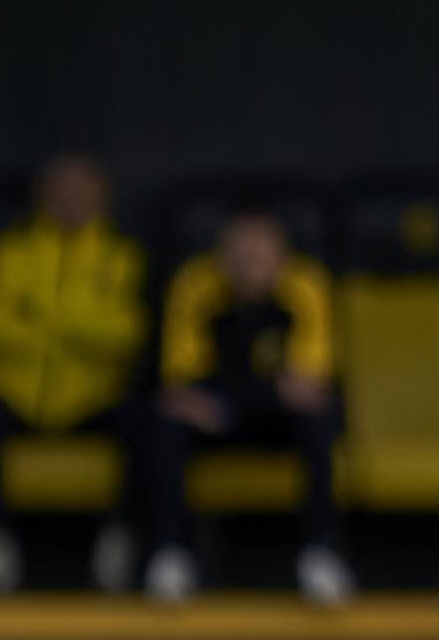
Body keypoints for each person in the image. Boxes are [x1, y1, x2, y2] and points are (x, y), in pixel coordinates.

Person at [135, 206, 352, 606]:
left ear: (282, 257)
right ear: (222, 258)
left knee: (319, 420)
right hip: (214, 421)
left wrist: (235, 401)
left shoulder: (305, 285)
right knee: (162, 422)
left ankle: (320, 554)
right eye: (239, 256)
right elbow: (180, 380)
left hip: (266, 421)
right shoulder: (196, 284)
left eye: (261, 255)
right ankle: (170, 556)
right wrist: (255, 395)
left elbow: (308, 382)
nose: (249, 265)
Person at [0, 152, 150, 596]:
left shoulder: (124, 256)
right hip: (17, 394)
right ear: (40, 198)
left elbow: (126, 332)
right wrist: (79, 325)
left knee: (144, 421)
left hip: (91, 397)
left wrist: (38, 315)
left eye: (82, 193)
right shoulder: (8, 251)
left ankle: (120, 542)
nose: (70, 201)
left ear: (103, 199)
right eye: (60, 192)